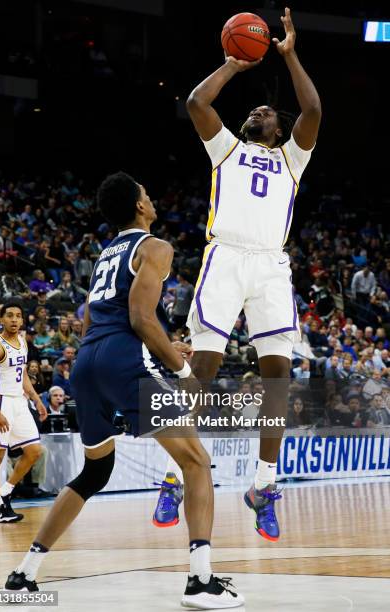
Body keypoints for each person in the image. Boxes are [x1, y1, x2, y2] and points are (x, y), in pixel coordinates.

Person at [5, 171, 243, 609]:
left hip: (87, 363)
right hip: (121, 360)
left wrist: (151, 349)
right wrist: (183, 366)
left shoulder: (105, 256)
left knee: (94, 472)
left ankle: (24, 574)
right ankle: (201, 581)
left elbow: (97, 318)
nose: (152, 200)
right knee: (196, 462)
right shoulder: (155, 247)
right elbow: (139, 317)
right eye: (148, 195)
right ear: (139, 206)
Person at [154, 7, 321, 541]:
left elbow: (314, 107)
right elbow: (197, 102)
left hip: (271, 265)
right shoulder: (226, 149)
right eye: (256, 109)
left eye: (268, 111)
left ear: (280, 128)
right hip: (225, 256)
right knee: (202, 367)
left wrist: (290, 57)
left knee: (279, 375)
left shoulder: (293, 159)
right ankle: (172, 475)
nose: (260, 111)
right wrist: (231, 64)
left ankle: (262, 484)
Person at [0, 302, 47, 523]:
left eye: (18, 316)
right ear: (1, 319)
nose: (14, 320)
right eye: (9, 316)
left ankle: (6, 491)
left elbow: (24, 375)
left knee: (35, 451)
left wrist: (36, 399)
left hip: (19, 402)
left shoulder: (21, 341)